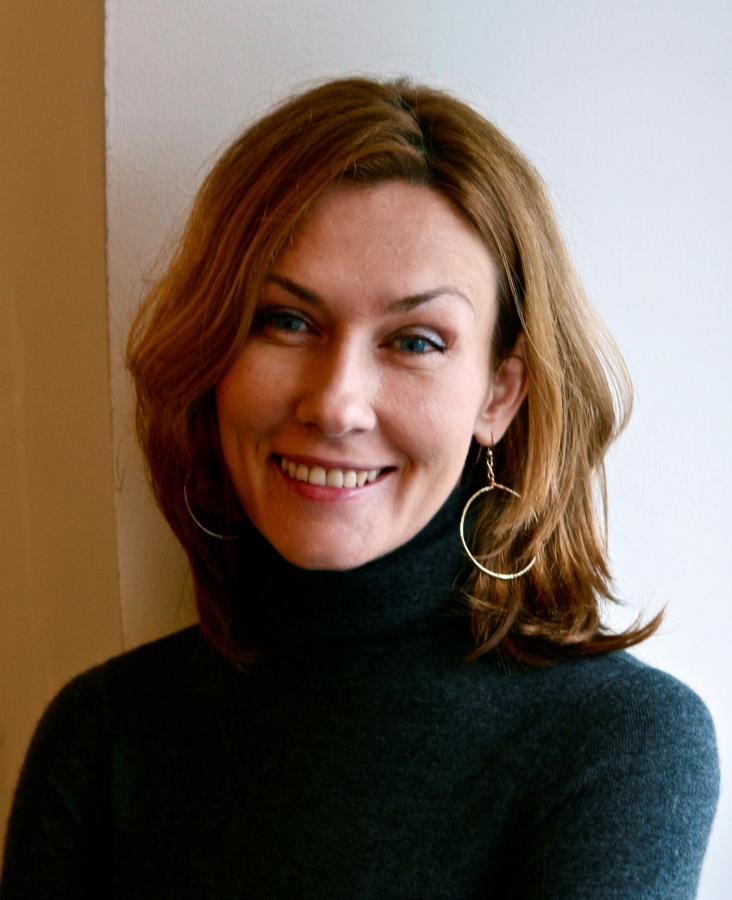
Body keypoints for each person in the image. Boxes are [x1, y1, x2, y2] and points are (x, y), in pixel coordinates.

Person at [0, 77, 719, 899]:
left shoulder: (615, 744)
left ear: (499, 395)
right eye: (287, 321)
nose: (336, 404)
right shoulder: (102, 736)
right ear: (213, 356)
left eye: (415, 341)